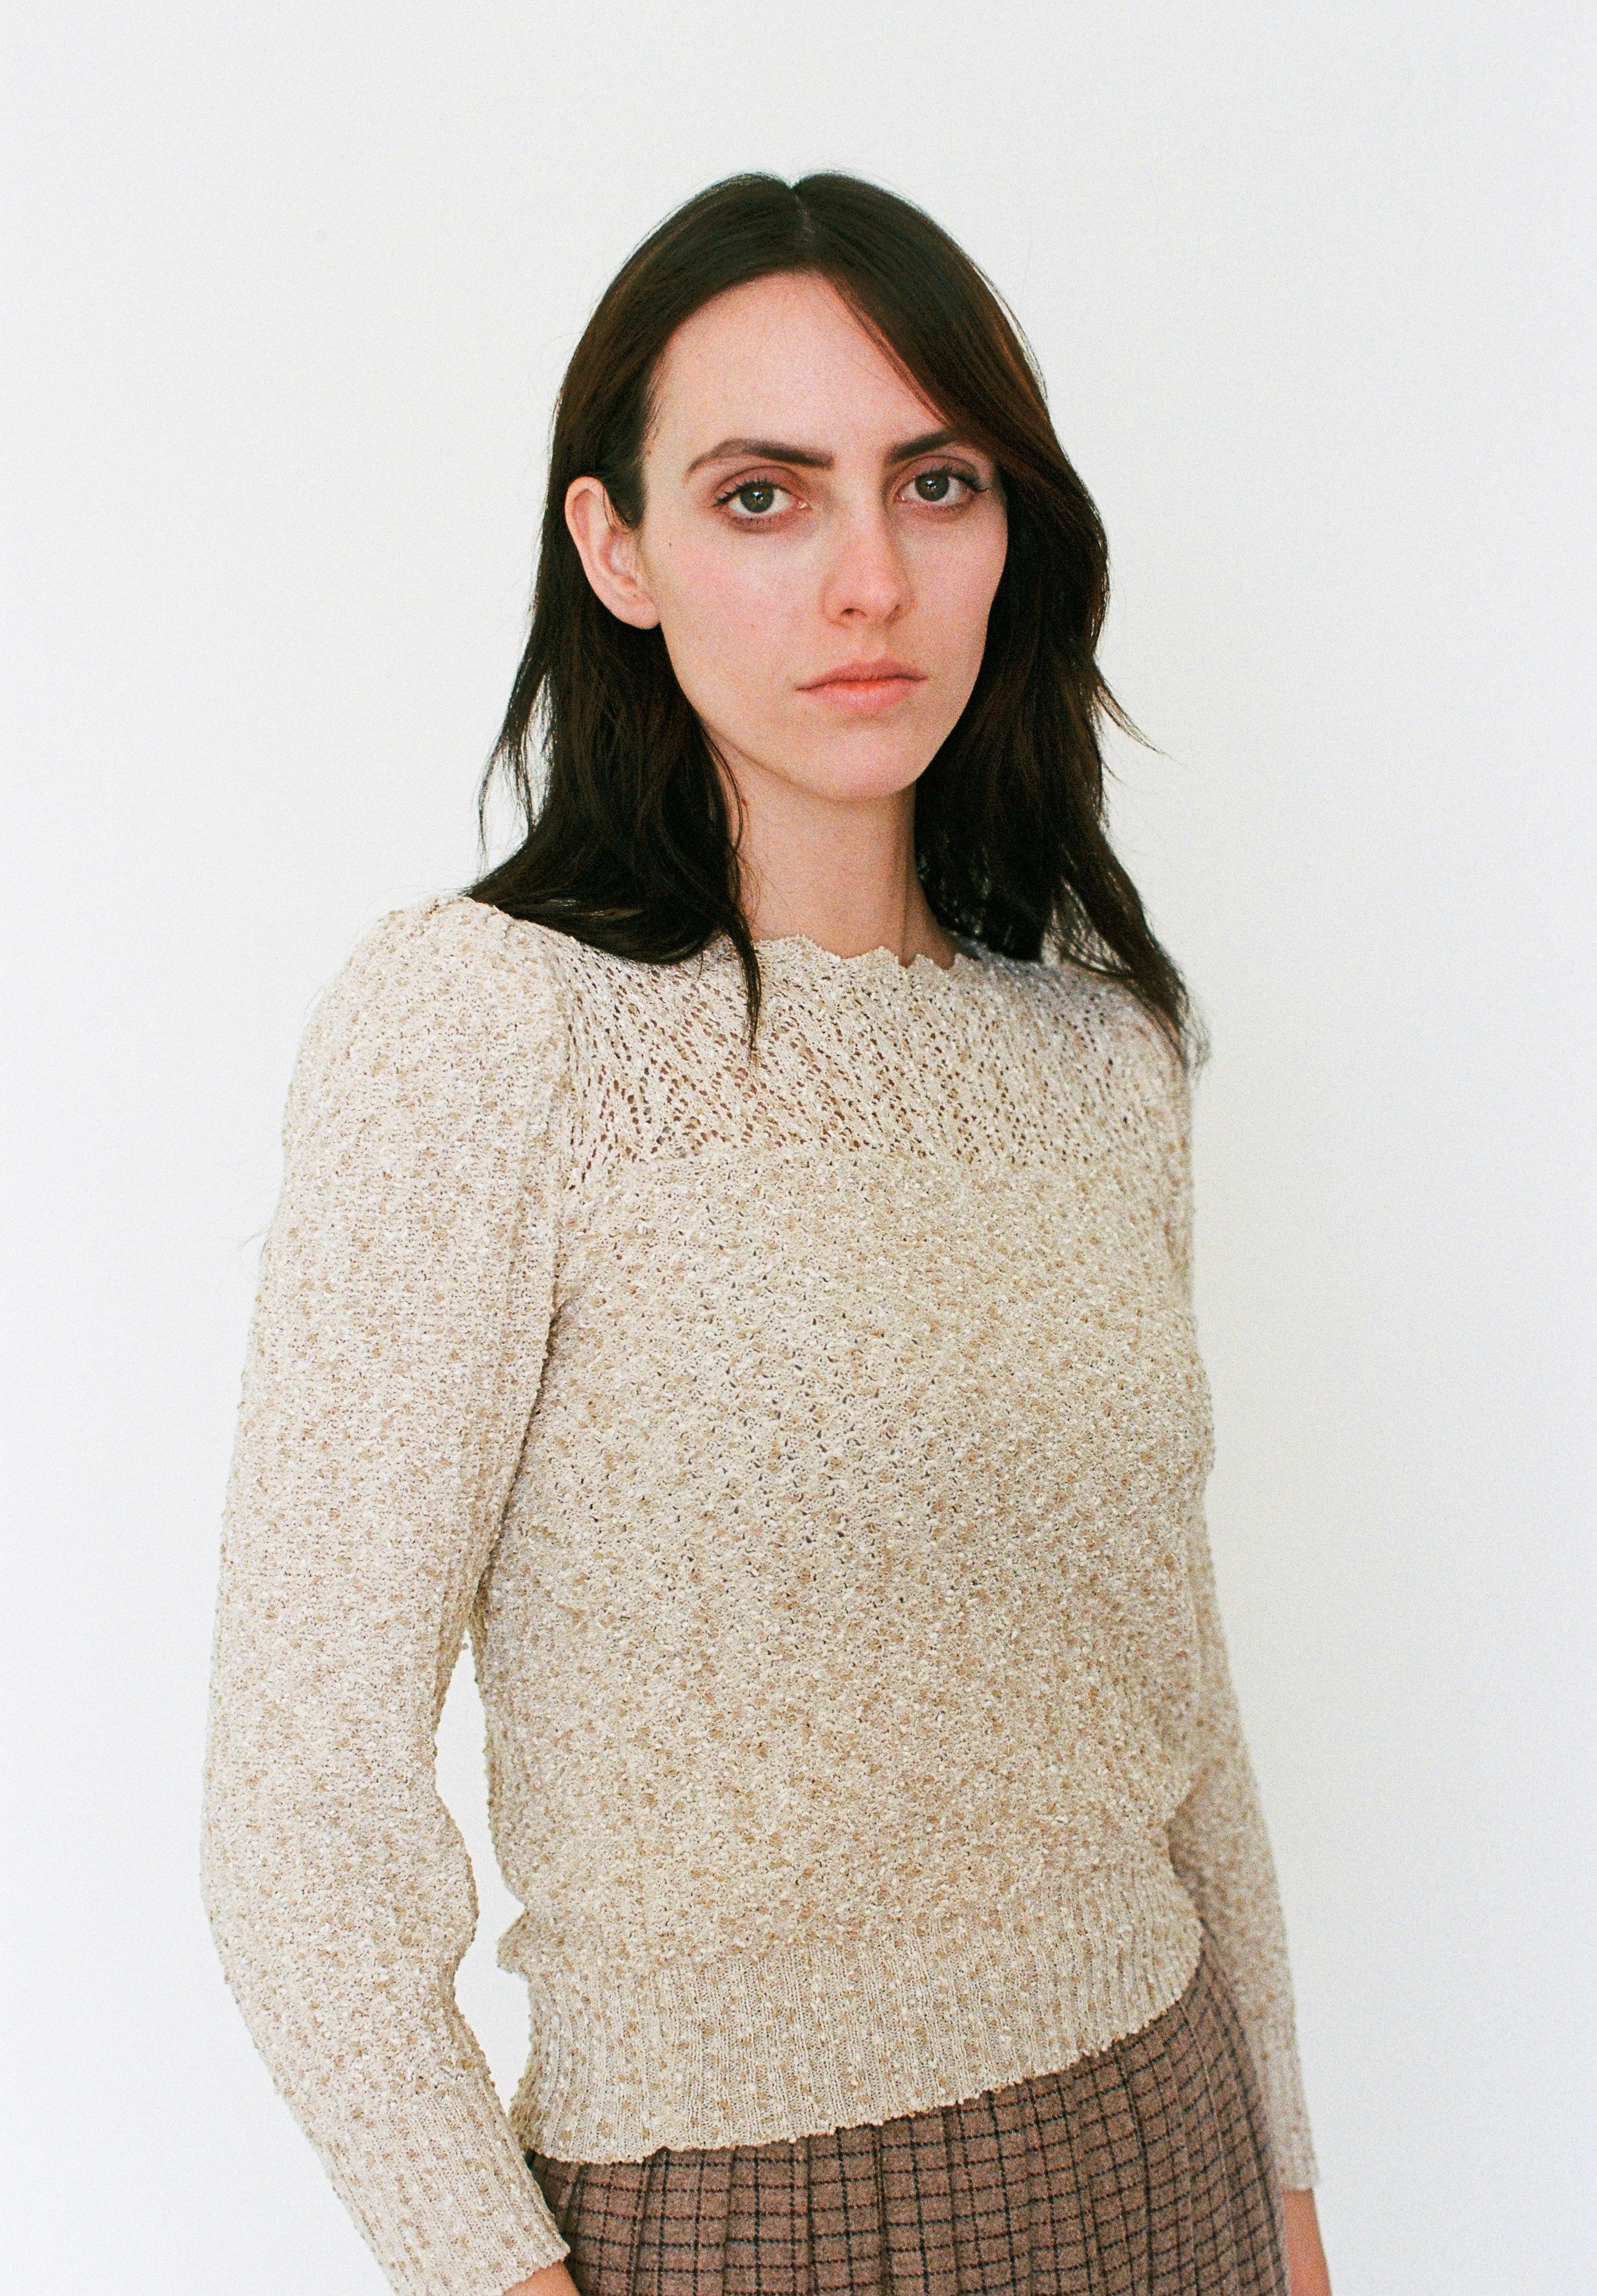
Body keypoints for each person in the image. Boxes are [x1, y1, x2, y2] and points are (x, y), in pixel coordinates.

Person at [200, 171, 1332, 2296]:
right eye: (762, 496)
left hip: (1172, 2147)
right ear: (614, 548)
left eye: (937, 482)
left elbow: (1182, 1704)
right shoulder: (486, 1032)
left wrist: (1284, 2192)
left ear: (1012, 531)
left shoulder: (1099, 1059)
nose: (870, 579)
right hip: (748, 2218)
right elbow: (300, 1812)